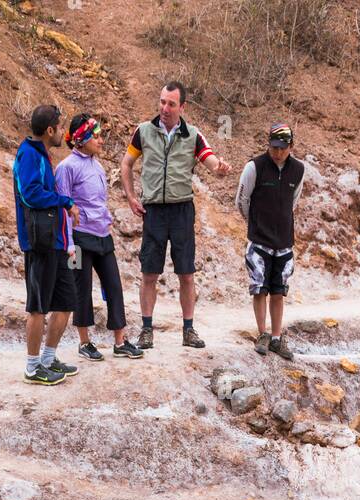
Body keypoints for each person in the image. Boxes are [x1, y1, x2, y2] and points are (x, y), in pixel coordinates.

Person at [120, 81, 231, 351]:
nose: (164, 108)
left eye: (171, 104)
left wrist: (219, 168)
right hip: (154, 210)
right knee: (149, 272)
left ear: (182, 106)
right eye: (162, 102)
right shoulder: (143, 131)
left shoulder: (192, 135)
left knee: (186, 273)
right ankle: (146, 330)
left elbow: (210, 159)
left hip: (182, 210)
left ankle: (188, 330)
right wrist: (131, 197)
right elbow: (127, 163)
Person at [55, 114, 142, 361]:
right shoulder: (66, 168)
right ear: (81, 139)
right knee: (80, 288)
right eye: (96, 136)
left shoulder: (98, 165)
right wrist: (68, 244)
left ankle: (120, 340)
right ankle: (85, 342)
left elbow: (98, 201)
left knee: (114, 285)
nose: (101, 141)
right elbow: (63, 208)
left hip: (102, 236)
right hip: (79, 238)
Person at [12, 103, 80, 384]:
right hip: (39, 242)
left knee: (65, 302)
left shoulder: (43, 154)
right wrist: (65, 201)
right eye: (60, 127)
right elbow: (30, 194)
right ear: (49, 130)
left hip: (56, 241)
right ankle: (32, 366)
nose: (63, 132)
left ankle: (49, 359)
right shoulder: (28, 154)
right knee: (38, 306)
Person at [235, 122, 304, 361]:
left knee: (278, 291)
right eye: (274, 147)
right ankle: (262, 333)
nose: (277, 152)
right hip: (259, 240)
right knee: (259, 288)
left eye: (282, 148)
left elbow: (293, 201)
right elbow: (242, 200)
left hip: (284, 242)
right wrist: (254, 223)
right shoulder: (255, 167)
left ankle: (276, 337)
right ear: (269, 145)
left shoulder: (298, 170)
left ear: (290, 147)